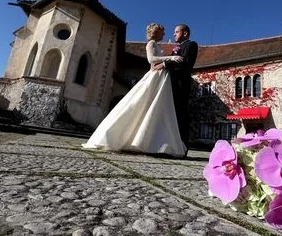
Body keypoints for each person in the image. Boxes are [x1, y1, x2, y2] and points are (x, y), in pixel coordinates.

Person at [82, 23, 187, 158]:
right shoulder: (151, 44)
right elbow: (151, 59)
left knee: (156, 108)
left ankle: (149, 141)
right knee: (140, 104)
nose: (165, 34)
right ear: (156, 32)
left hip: (161, 77)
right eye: (163, 31)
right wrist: (170, 57)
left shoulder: (158, 45)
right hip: (154, 77)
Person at [152, 24, 198, 155]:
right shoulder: (176, 48)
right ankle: (168, 146)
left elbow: (185, 62)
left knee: (180, 115)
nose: (174, 34)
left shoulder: (191, 45)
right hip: (170, 85)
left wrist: (164, 64)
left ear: (185, 33)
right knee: (170, 115)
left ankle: (182, 148)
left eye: (176, 32)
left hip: (181, 85)